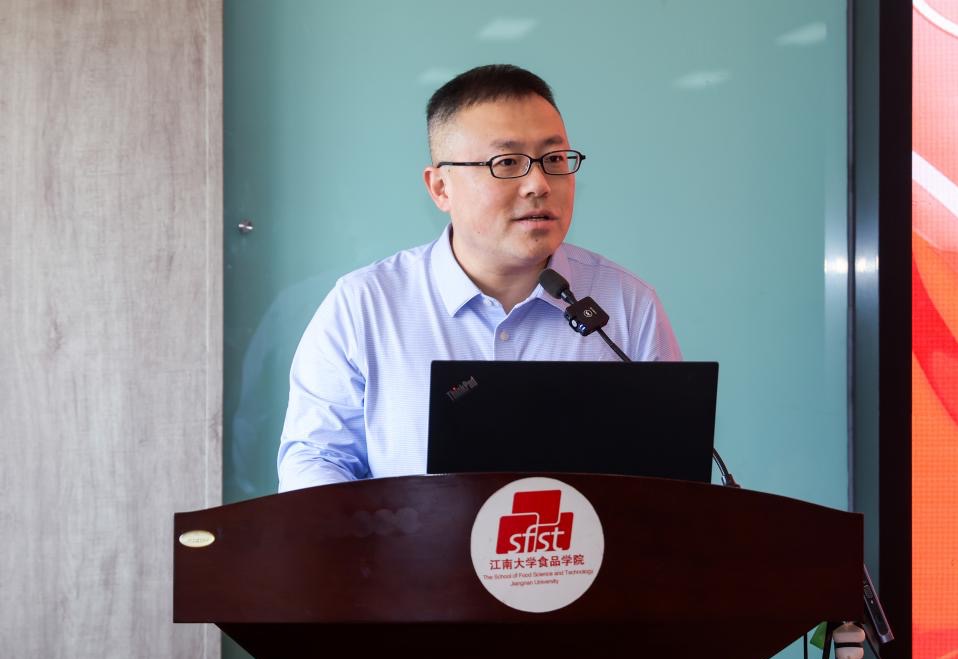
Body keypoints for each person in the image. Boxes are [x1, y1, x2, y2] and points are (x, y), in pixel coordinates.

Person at [277, 64, 681, 491]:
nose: (539, 184)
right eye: (507, 162)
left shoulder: (627, 304)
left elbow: (669, 473)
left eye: (554, 159)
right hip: (413, 537)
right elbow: (318, 459)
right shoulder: (363, 306)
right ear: (441, 188)